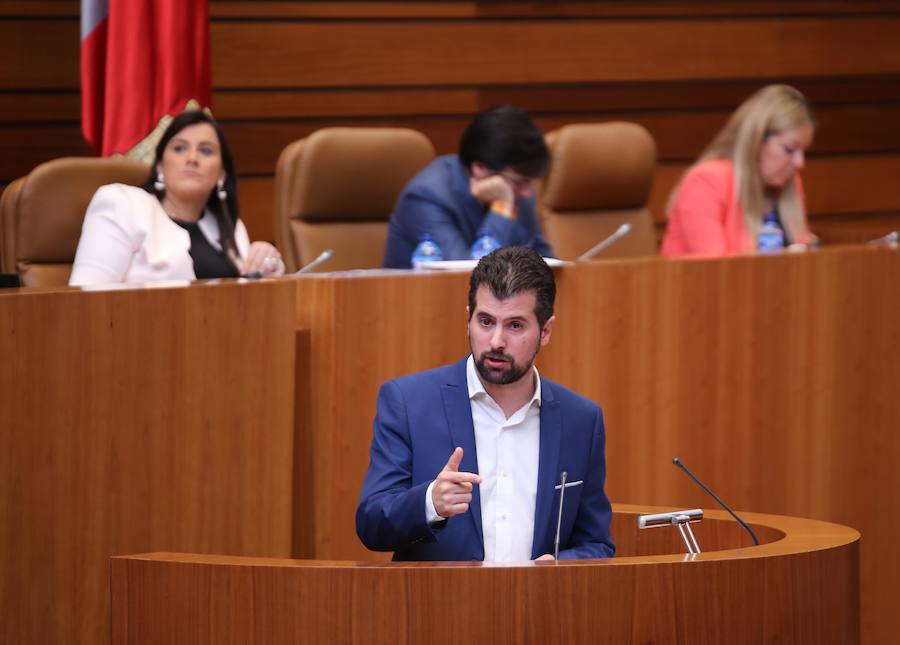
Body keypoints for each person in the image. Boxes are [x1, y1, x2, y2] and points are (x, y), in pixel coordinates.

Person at [357, 246, 614, 561]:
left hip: (536, 607)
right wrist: (429, 503)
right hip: (438, 606)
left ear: (545, 331)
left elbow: (597, 544)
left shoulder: (581, 420)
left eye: (515, 326)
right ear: (468, 319)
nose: (496, 342)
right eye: (486, 322)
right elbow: (370, 523)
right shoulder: (409, 403)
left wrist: (562, 568)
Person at [69, 110, 283, 286]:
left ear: (221, 176)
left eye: (206, 151)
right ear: (160, 166)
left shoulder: (230, 227)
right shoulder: (122, 204)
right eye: (179, 148)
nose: (191, 158)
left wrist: (268, 262)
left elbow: (251, 299)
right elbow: (86, 302)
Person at [382, 105, 554, 268]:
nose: (527, 193)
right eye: (519, 181)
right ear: (480, 168)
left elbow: (546, 265)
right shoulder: (426, 198)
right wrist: (502, 209)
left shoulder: (518, 195)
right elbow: (470, 280)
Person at [661, 84, 818, 257]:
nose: (799, 162)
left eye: (803, 151)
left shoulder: (791, 184)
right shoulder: (705, 183)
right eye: (789, 149)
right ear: (756, 140)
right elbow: (717, 274)